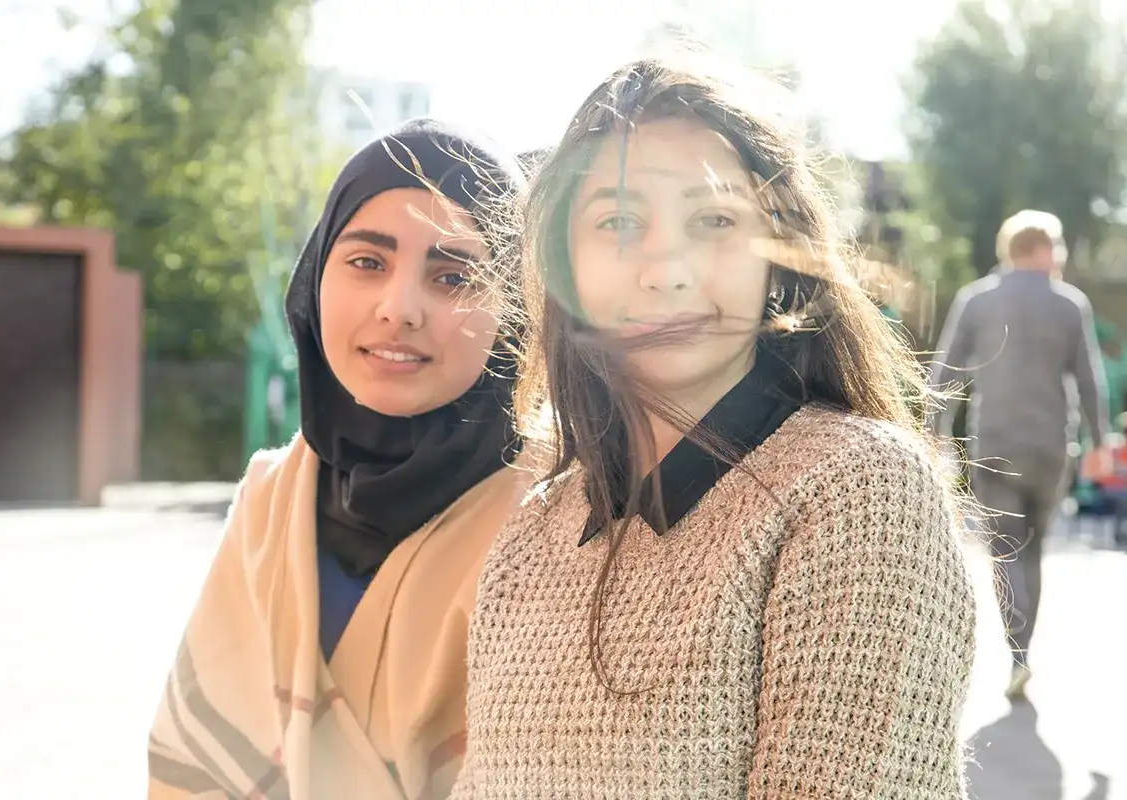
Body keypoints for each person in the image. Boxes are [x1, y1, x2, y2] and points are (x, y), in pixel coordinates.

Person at [450, 59, 977, 799]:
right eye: (619, 222)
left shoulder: (856, 490)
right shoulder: (534, 531)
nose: (666, 270)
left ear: (777, 255)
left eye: (715, 220)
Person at [146, 119, 530, 799]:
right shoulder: (271, 497)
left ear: (516, 310)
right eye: (367, 262)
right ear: (316, 275)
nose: (398, 308)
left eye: (453, 276)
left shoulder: (561, 518)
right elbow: (200, 761)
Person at [931, 209, 1110, 700]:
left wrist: (934, 433)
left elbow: (946, 372)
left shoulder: (977, 300)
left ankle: (1018, 656)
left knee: (1004, 550)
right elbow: (1090, 380)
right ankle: (1022, 652)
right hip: (1052, 447)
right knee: (1034, 550)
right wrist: (1100, 443)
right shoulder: (1070, 304)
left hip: (995, 445)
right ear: (1044, 249)